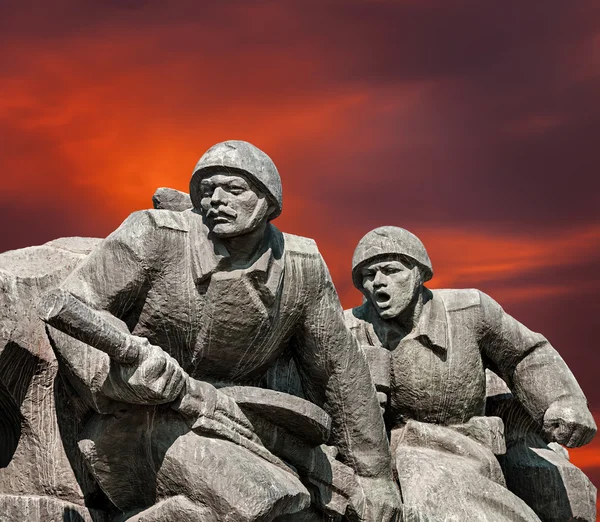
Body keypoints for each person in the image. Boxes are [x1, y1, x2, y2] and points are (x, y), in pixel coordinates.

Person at [46, 142, 401, 521]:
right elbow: (76, 306)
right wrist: (117, 378)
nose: (215, 199)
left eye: (233, 189)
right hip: (140, 422)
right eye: (206, 191)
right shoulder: (154, 234)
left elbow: (338, 370)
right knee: (264, 499)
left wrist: (374, 475)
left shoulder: (302, 267)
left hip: (244, 421)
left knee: (304, 505)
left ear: (268, 202)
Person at [345, 226, 597, 522]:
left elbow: (524, 355)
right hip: (401, 454)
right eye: (368, 275)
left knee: (557, 488)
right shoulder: (350, 328)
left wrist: (563, 400)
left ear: (418, 274)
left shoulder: (469, 310)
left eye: (391, 270)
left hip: (470, 443)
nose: (378, 282)